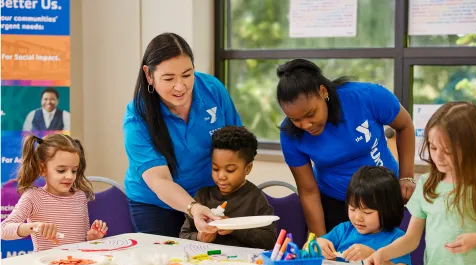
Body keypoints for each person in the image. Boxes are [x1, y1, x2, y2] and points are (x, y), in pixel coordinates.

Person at [365, 102, 476, 265]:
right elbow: (411, 239)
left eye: (448, 151)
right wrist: (381, 254)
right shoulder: (426, 183)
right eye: (433, 147)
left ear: (471, 148)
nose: (438, 157)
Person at [277, 59, 416, 237]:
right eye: (295, 120)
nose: (305, 125)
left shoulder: (366, 97)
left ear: (323, 91)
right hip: (335, 202)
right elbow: (308, 191)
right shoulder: (290, 135)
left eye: (310, 114)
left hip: (385, 195)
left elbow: (404, 125)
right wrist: (320, 239)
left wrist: (407, 177)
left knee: (387, 257)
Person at [123, 33, 242, 237]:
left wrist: (233, 195)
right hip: (155, 203)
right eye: (169, 78)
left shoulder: (212, 90)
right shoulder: (137, 117)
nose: (180, 86)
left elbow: (238, 144)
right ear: (149, 75)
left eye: (187, 75)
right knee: (166, 264)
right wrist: (193, 208)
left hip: (208, 194)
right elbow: (159, 180)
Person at [1, 134, 107, 252]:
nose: (70, 176)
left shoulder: (80, 196)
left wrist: (92, 238)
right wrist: (35, 227)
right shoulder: (33, 197)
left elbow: (82, 240)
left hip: (78, 264)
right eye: (61, 170)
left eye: (74, 170)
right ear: (42, 169)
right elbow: (3, 230)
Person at [180, 126, 277, 249]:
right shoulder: (203, 196)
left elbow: (270, 240)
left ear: (247, 168)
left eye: (230, 170)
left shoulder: (255, 199)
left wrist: (234, 228)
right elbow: (183, 235)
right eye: (215, 168)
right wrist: (199, 237)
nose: (221, 176)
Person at [316, 166, 411, 265]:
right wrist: (317, 245)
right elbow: (306, 251)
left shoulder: (397, 239)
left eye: (367, 212)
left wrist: (374, 256)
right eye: (352, 209)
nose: (358, 218)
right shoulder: (343, 230)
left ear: (388, 209)